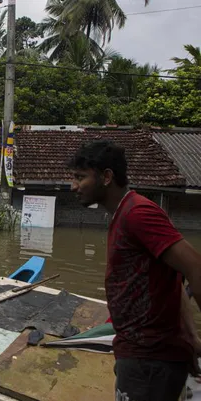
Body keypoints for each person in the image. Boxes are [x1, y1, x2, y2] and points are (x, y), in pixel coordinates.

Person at [69, 140, 201, 401]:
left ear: (107, 177)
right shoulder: (122, 214)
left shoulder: (138, 213)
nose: (73, 186)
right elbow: (175, 279)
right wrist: (190, 338)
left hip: (150, 359)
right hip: (140, 354)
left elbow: (195, 267)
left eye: (80, 177)